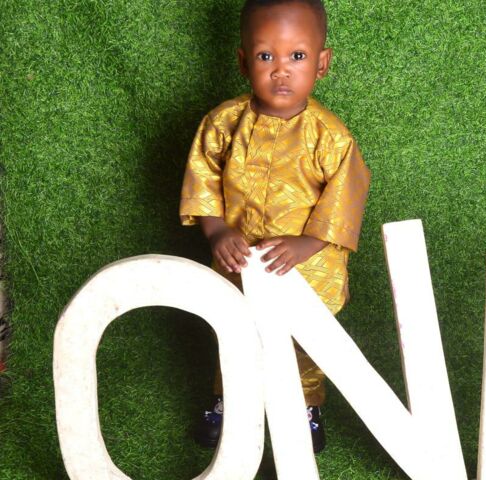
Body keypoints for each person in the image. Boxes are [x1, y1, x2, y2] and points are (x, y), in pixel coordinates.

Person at [179, 0, 370, 453]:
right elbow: (203, 180)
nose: (281, 70)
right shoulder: (223, 124)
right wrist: (217, 231)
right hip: (240, 260)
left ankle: (306, 406)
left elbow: (345, 197)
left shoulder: (330, 136)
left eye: (297, 56)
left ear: (322, 63)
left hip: (307, 267)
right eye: (266, 55)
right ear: (244, 61)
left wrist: (307, 243)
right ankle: (229, 400)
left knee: (304, 337)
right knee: (235, 329)